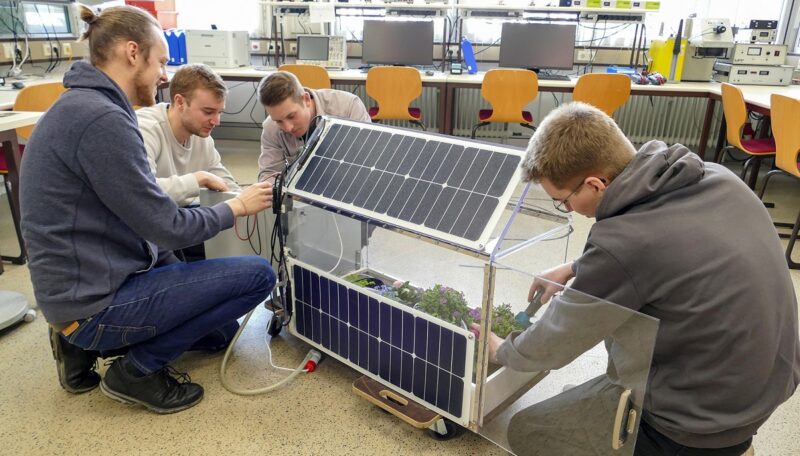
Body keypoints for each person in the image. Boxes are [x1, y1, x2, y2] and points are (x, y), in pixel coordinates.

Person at [476, 102, 800, 455]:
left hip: (695, 425)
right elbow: (668, 248)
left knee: (527, 431)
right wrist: (576, 268)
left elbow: (557, 341)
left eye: (563, 201)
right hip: (760, 389)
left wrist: (501, 349)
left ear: (595, 184)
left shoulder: (622, 244)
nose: (567, 210)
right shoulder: (717, 178)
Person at [20, 5, 275, 415]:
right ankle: (134, 371)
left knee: (219, 335)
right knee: (258, 276)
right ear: (132, 53)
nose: (162, 73)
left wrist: (177, 272)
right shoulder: (101, 120)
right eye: (160, 61)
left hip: (83, 284)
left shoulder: (82, 106)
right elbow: (167, 224)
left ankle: (76, 340)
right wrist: (236, 207)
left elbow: (140, 223)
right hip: (91, 304)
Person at [137, 63, 240, 207]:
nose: (216, 122)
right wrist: (199, 179)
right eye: (208, 112)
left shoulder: (202, 137)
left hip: (182, 214)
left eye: (220, 112)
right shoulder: (145, 129)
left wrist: (243, 200)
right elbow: (141, 192)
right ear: (180, 102)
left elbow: (225, 183)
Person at [257, 71, 371, 183]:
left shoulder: (348, 107)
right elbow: (269, 174)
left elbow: (369, 159)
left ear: (306, 99)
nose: (288, 128)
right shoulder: (271, 127)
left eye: (291, 116)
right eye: (279, 121)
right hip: (300, 194)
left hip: (348, 183)